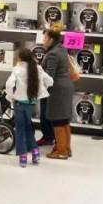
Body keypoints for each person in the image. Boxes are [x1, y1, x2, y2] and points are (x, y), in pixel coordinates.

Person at [5, 48, 53, 168]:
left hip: (19, 103)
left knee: (20, 129)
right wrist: (42, 88)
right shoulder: (37, 68)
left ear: (20, 58)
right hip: (31, 103)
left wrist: (10, 96)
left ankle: (23, 156)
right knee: (27, 127)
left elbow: (9, 84)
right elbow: (50, 81)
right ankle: (35, 153)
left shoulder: (17, 69)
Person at [41, 26, 74, 160]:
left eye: (45, 37)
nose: (43, 40)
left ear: (51, 39)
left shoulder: (52, 54)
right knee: (64, 120)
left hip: (57, 90)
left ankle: (61, 151)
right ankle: (66, 148)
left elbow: (49, 76)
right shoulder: (62, 49)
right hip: (66, 86)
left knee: (57, 120)